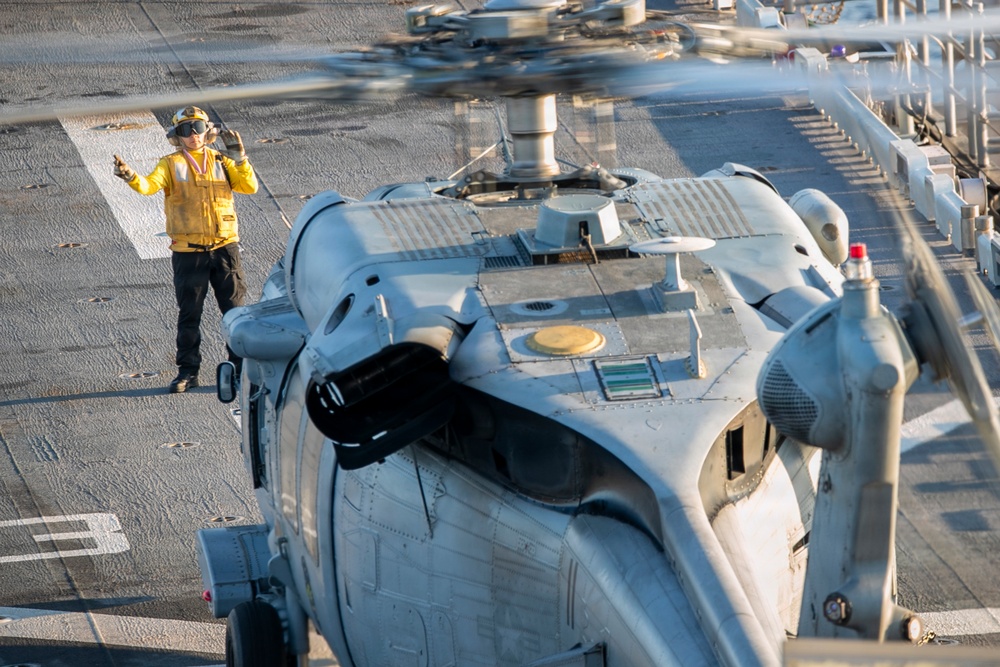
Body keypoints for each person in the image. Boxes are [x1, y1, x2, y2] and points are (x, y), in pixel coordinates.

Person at [113, 106, 258, 393]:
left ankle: (240, 370)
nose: (193, 135)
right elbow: (148, 186)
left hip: (224, 248)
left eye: (198, 128)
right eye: (185, 130)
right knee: (189, 316)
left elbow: (249, 187)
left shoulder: (223, 160)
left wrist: (240, 159)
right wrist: (130, 176)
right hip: (188, 253)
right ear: (176, 136)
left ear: (208, 131)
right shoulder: (170, 164)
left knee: (235, 314)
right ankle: (188, 372)